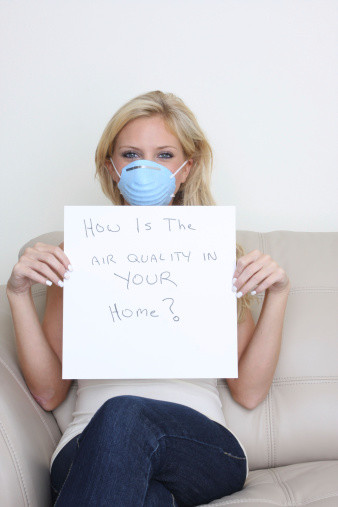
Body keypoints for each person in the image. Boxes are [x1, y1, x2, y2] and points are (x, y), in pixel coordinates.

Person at [6, 90, 291, 506]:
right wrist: (17, 294)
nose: (146, 167)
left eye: (164, 155)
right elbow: (49, 393)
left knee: (126, 412)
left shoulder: (216, 252)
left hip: (202, 449)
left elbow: (247, 391)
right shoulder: (77, 254)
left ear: (186, 169)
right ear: (112, 166)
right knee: (146, 495)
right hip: (86, 449)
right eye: (130, 154)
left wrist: (278, 295)